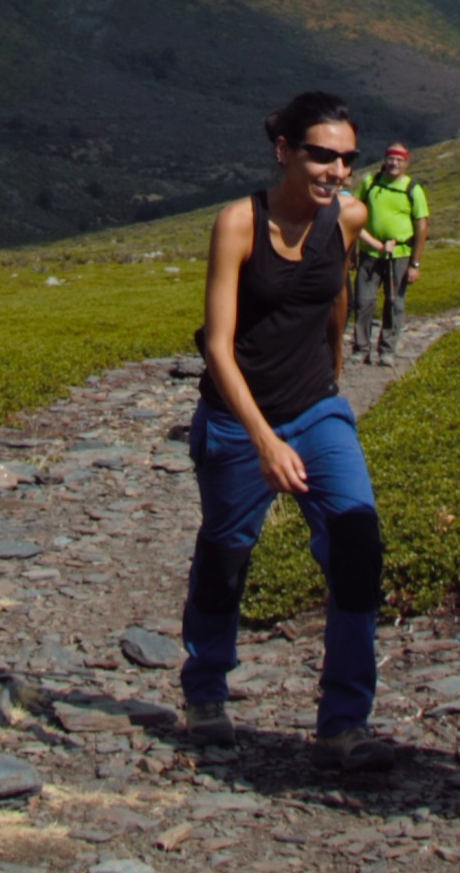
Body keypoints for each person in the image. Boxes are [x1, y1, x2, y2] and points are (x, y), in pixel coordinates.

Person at [179, 88, 394, 774]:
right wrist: (265, 439)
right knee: (227, 552)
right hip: (238, 420)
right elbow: (216, 345)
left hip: (316, 409)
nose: (335, 171)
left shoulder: (349, 218)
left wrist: (333, 378)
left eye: (346, 159)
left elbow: (331, 294)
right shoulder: (239, 223)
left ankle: (344, 723)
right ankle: (206, 692)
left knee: (357, 544)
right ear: (284, 151)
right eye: (320, 156)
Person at [352, 138, 429, 362]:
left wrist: (415, 263)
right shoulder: (371, 183)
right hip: (370, 252)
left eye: (399, 159)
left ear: (406, 163)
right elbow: (356, 214)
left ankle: (386, 350)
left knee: (394, 302)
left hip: (400, 254)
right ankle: (361, 348)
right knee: (363, 301)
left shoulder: (413, 189)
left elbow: (421, 225)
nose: (394, 163)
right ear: (384, 160)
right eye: (390, 158)